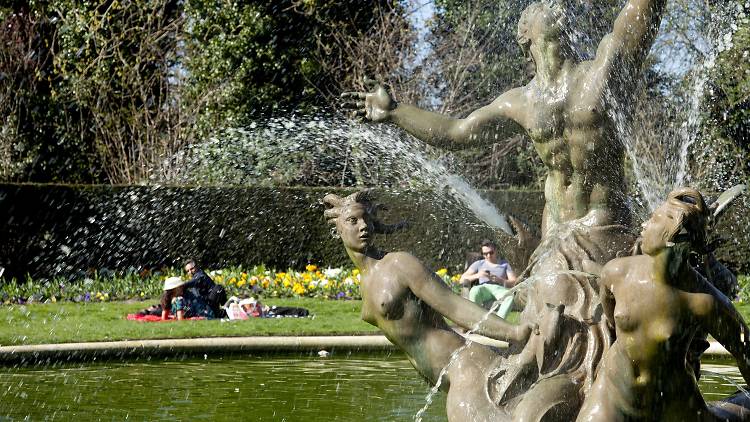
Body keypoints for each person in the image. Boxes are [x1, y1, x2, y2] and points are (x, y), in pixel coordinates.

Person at [342, 0, 667, 416]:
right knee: (548, 342)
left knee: (615, 338)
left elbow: (638, 19)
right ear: (524, 35)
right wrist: (394, 113)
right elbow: (456, 132)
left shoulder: (602, 71)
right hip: (557, 245)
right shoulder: (520, 102)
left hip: (608, 232)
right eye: (542, 5)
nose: (557, 4)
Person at [324, 190, 534, 422]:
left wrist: (513, 332)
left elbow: (454, 306)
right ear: (338, 230)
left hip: (465, 367)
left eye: (366, 219)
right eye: (353, 221)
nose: (363, 226)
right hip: (449, 380)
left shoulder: (398, 264)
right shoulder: (366, 281)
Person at [576, 188, 750, 421]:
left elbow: (744, 350)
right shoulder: (617, 273)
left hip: (671, 404)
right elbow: (611, 317)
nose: (644, 225)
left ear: (673, 240)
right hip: (614, 393)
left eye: (654, 220)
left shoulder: (703, 301)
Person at [460, 240, 518, 318]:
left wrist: (500, 280)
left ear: (496, 250)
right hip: (484, 288)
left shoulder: (505, 264)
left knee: (509, 297)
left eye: (491, 253)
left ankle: (498, 322)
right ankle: (474, 320)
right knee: (474, 290)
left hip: (499, 288)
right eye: (485, 254)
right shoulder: (479, 263)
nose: (488, 256)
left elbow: (514, 282)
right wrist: (478, 275)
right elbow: (462, 279)